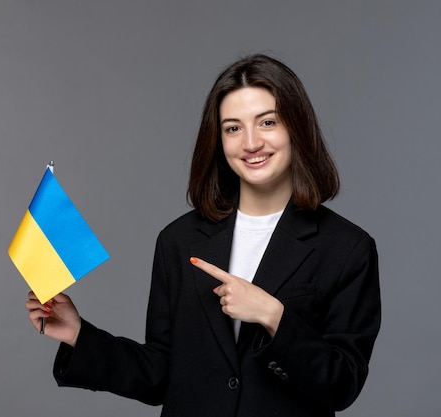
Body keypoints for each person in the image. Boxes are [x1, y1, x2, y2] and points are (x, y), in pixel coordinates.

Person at [26, 54, 381, 417]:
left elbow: (342, 385)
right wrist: (78, 335)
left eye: (268, 122)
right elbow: (161, 374)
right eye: (233, 128)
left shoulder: (347, 248)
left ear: (296, 128)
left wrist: (273, 315)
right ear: (219, 139)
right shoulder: (178, 241)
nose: (251, 142)